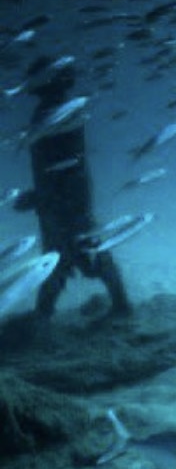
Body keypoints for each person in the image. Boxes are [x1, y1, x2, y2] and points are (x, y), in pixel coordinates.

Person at [13, 54, 131, 319]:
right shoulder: (57, 110)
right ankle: (45, 315)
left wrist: (41, 197)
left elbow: (65, 165)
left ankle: (120, 307)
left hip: (65, 201)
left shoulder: (58, 112)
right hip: (64, 199)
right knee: (64, 254)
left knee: (77, 252)